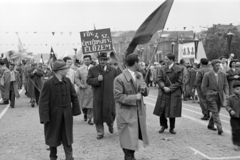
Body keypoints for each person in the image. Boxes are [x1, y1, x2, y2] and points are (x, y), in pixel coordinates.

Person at [39, 59, 81, 160]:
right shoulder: (48, 83)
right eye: (65, 68)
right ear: (59, 70)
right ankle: (53, 156)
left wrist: (75, 110)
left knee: (67, 137)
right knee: (53, 137)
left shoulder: (67, 81)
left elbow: (73, 96)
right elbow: (43, 102)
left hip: (66, 115)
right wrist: (44, 117)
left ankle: (69, 157)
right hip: (53, 116)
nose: (67, 69)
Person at [114, 53, 149, 160]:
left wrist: (144, 89)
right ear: (135, 63)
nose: (140, 64)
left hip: (138, 114)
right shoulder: (119, 79)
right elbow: (118, 97)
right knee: (127, 143)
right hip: (126, 115)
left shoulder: (140, 75)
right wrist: (135, 97)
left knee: (133, 140)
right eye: (139, 61)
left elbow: (144, 93)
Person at [87, 52, 118, 140]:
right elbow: (88, 81)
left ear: (107, 61)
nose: (102, 61)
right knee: (98, 114)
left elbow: (118, 81)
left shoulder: (113, 70)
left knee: (111, 112)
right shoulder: (93, 70)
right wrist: (97, 79)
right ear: (98, 60)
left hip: (109, 95)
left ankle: (110, 124)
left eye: (104, 60)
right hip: (98, 96)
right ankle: (100, 132)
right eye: (101, 60)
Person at [153, 53, 183, 134]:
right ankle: (163, 125)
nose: (165, 60)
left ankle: (172, 127)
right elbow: (159, 79)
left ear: (171, 60)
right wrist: (163, 87)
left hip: (173, 92)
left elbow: (179, 81)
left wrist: (170, 89)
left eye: (166, 59)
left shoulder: (179, 69)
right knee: (162, 110)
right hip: (163, 92)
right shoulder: (162, 68)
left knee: (172, 110)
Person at [202, 59, 229, 135]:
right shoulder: (207, 75)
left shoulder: (222, 74)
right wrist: (207, 94)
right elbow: (203, 86)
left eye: (219, 66)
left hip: (220, 95)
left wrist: (227, 93)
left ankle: (210, 124)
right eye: (216, 66)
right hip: (211, 96)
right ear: (212, 66)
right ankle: (219, 127)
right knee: (215, 111)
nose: (218, 67)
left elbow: (226, 85)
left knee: (216, 111)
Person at [75, 55, 94, 125]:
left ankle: (90, 118)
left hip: (92, 88)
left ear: (90, 60)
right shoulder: (79, 69)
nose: (87, 61)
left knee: (91, 104)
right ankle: (85, 113)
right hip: (84, 89)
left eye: (88, 60)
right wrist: (80, 85)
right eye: (85, 60)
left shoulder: (94, 68)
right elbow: (76, 78)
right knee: (84, 104)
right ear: (83, 60)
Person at [225, 81, 240, 151]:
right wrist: (230, 110)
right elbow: (227, 105)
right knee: (236, 130)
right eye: (237, 89)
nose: (239, 91)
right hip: (234, 117)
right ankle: (236, 143)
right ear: (234, 89)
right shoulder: (231, 98)